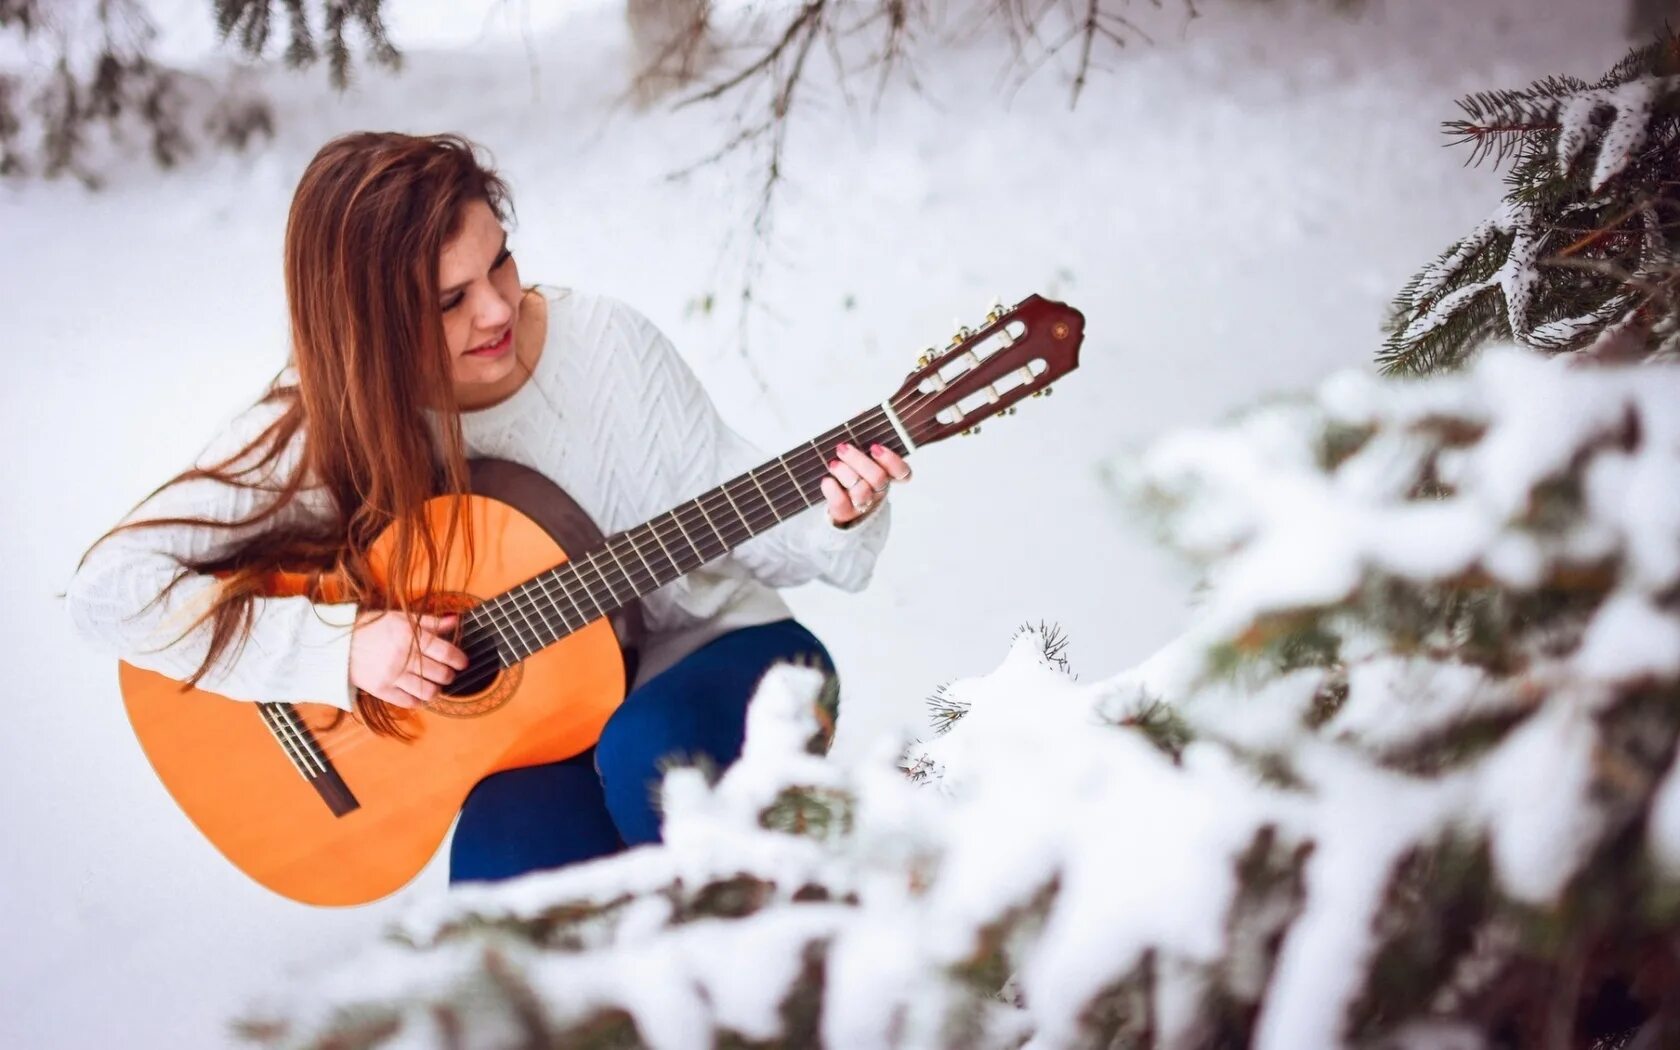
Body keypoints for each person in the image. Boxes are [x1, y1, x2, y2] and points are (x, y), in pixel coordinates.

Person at [63, 131, 909, 885]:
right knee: (507, 883)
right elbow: (109, 592)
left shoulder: (605, 349)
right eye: (449, 300)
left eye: (499, 263)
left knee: (647, 756)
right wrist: (340, 650)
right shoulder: (325, 430)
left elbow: (744, 511)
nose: (498, 308)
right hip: (545, 726)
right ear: (366, 330)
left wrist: (840, 512)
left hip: (720, 652)